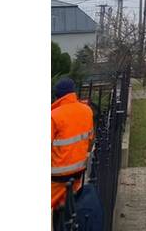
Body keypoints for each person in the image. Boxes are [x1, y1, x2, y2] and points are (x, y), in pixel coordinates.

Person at [51, 77, 94, 213]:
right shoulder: (87, 110)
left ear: (57, 96)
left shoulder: (54, 116)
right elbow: (90, 139)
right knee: (67, 211)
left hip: (56, 177)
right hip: (77, 173)